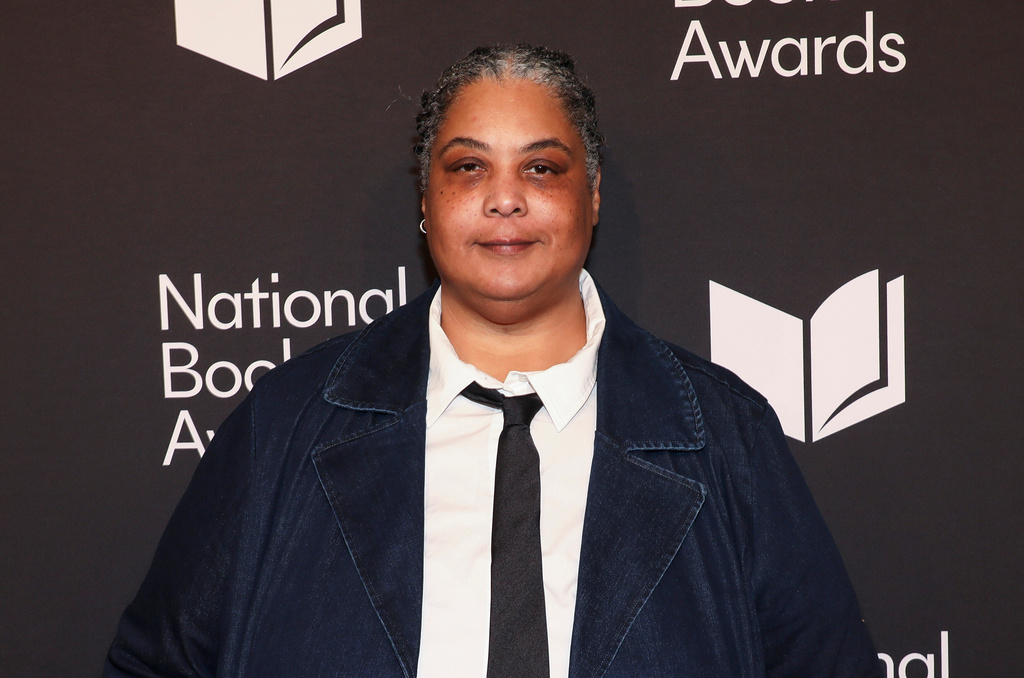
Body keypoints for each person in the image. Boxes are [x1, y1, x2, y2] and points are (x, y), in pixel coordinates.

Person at [106, 44, 882, 677]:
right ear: (425, 199)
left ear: (594, 196)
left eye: (541, 167)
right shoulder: (285, 425)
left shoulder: (726, 436)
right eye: (468, 167)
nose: (504, 199)